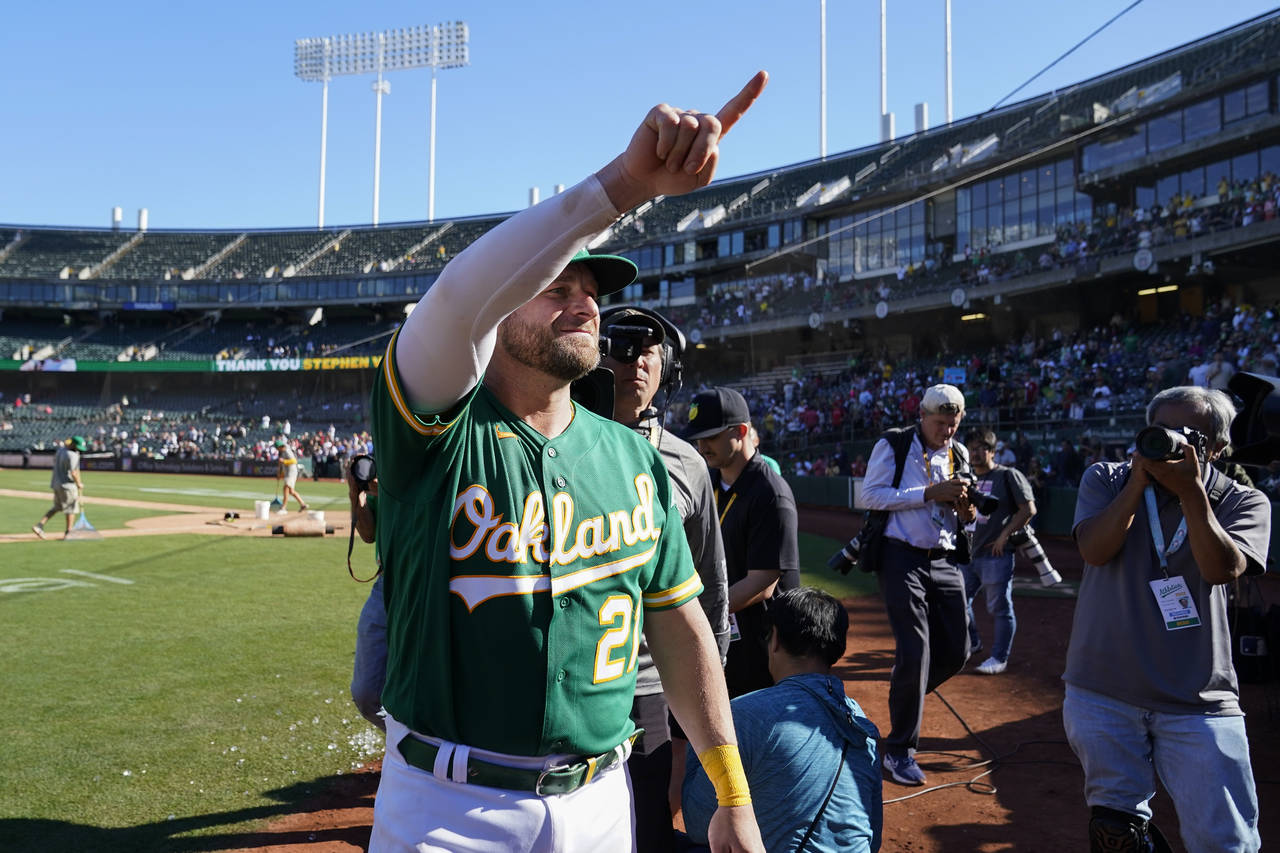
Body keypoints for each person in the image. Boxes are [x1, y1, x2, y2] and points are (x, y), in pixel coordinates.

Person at [366, 74, 769, 853]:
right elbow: (453, 299)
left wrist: (733, 791)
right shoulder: (438, 428)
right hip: (448, 808)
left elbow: (683, 629)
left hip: (600, 803)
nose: (586, 303)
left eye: (592, 291)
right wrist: (626, 184)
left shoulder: (633, 456)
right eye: (557, 285)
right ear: (500, 308)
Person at [1065, 386, 1268, 852]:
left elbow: (1221, 569)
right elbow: (1094, 550)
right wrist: (1138, 484)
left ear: (1216, 448)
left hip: (1198, 698)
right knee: (1117, 834)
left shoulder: (1243, 502)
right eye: (1163, 430)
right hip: (1102, 690)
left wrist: (1192, 493)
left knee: (1226, 841)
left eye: (1189, 434)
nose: (1172, 439)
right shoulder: (1107, 478)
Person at [599, 305, 731, 853]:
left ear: (667, 370)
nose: (635, 361)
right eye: (621, 347)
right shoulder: (551, 445)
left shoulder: (688, 464)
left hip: (650, 684)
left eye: (649, 351)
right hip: (573, 681)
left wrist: (708, 676)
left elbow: (710, 584)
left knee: (647, 822)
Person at [682, 587, 882, 853]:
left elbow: (698, 824)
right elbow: (872, 838)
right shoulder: (859, 720)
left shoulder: (743, 713)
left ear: (774, 639)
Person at [860, 384, 974, 786]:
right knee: (915, 650)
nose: (947, 431)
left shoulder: (959, 453)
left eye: (954, 424)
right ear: (922, 416)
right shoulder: (893, 444)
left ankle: (904, 694)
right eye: (941, 423)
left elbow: (966, 516)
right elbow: (870, 496)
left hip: (943, 558)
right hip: (900, 556)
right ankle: (900, 752)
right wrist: (929, 492)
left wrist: (966, 508)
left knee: (959, 650)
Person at [685, 386, 800, 699]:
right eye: (698, 437)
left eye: (711, 436)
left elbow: (763, 582)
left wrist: (700, 612)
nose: (702, 445)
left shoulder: (769, 492)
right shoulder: (711, 482)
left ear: (741, 431)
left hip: (766, 643)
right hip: (728, 633)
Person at [958, 428, 1036, 675]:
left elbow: (1028, 509)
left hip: (996, 554)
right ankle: (974, 643)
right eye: (972, 448)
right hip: (968, 553)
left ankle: (999, 657)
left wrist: (1005, 535)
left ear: (992, 451)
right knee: (958, 604)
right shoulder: (966, 477)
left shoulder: (1008, 475)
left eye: (981, 447)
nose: (976, 452)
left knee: (1000, 608)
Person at [345, 460, 385, 730]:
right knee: (366, 693)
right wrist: (355, 495)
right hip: (387, 584)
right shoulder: (383, 467)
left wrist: (391, 490)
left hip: (428, 589)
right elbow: (369, 534)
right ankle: (404, 746)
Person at [32, 435, 86, 540]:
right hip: (67, 486)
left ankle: (40, 525)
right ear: (73, 444)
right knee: (71, 509)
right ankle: (69, 532)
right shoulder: (73, 455)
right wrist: (79, 483)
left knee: (57, 507)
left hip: (56, 484)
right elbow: (74, 472)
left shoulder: (60, 451)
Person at [275, 437, 308, 514]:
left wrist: (284, 461)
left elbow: (294, 461)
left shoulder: (287, 451)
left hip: (291, 472)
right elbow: (283, 466)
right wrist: (280, 474)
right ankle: (302, 504)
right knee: (291, 491)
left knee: (285, 488)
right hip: (288, 473)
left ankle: (283, 508)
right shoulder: (283, 452)